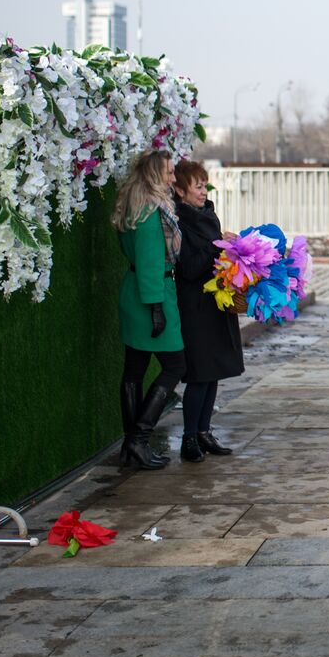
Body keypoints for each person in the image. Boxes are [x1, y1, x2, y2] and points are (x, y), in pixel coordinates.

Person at [112, 150, 187, 470]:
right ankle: (138, 441)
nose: (173, 179)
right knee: (175, 366)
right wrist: (157, 308)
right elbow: (150, 263)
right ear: (155, 175)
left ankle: (132, 447)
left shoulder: (134, 205)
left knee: (134, 371)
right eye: (169, 173)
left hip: (136, 294)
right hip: (151, 296)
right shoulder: (149, 214)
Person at [172, 160, 244, 462]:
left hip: (217, 302)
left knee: (214, 371)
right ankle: (189, 438)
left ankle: (204, 431)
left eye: (205, 185)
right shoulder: (179, 222)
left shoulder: (207, 215)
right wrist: (217, 248)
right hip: (195, 305)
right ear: (179, 190)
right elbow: (187, 267)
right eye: (197, 186)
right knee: (200, 373)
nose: (203, 191)